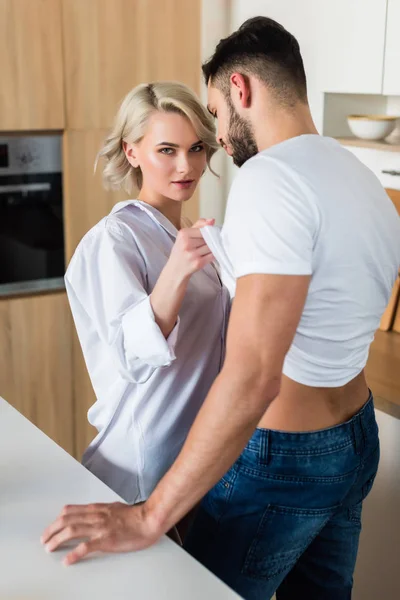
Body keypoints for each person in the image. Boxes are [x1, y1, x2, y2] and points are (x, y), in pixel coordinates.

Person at [42, 16, 400, 600]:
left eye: (206, 132)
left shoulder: (267, 183)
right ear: (132, 151)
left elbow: (254, 373)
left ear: (239, 90)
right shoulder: (359, 178)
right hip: (353, 442)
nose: (203, 155)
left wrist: (152, 514)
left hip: (282, 451)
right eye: (167, 150)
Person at [60, 81, 229, 534]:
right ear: (131, 152)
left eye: (196, 148)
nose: (186, 165)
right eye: (167, 150)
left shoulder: (190, 235)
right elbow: (131, 356)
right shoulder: (112, 240)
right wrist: (175, 273)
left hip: (198, 465)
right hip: (144, 469)